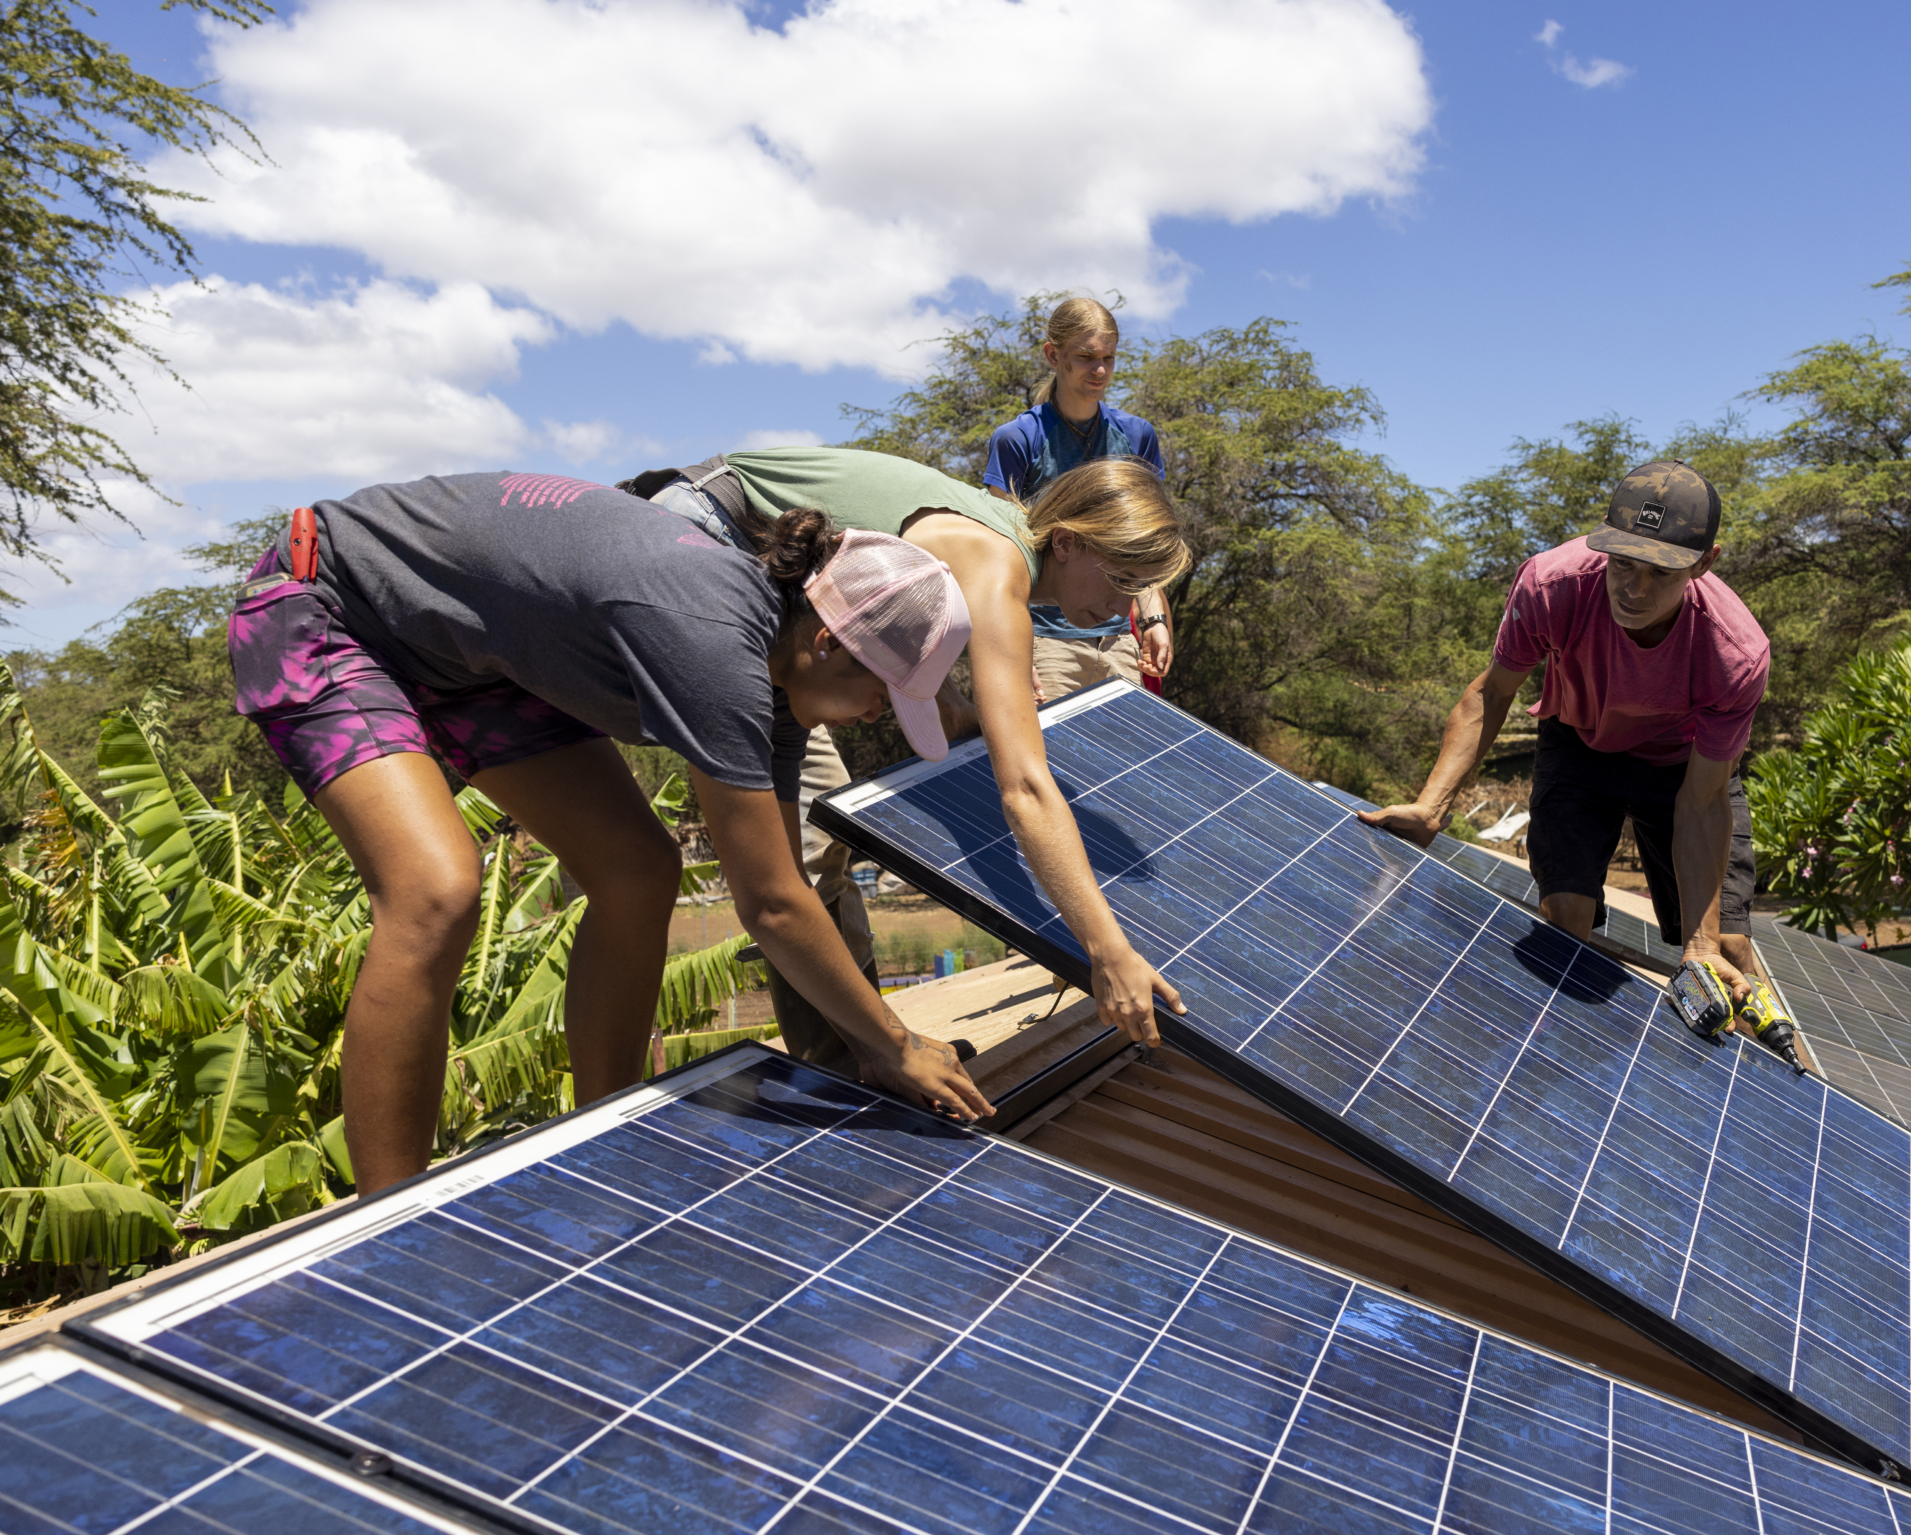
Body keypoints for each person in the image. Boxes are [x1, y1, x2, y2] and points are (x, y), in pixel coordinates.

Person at [227, 470, 993, 1193]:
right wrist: (893, 1044)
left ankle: (607, 1136)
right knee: (435, 892)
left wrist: (877, 1045)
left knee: (637, 871)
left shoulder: (781, 667)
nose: (878, 714)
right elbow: (768, 906)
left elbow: (783, 886)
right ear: (827, 642)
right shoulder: (713, 636)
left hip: (463, 658)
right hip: (323, 603)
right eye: (883, 691)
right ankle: (390, 1221)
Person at [626, 446, 1192, 1054]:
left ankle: (871, 1052)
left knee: (809, 849)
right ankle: (858, 1063)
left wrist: (962, 710)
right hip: (705, 535)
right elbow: (1026, 789)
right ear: (1067, 542)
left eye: (1139, 589)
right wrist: (1107, 952)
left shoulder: (1000, 539)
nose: (1122, 608)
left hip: (735, 541)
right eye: (1121, 579)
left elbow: (926, 659)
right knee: (799, 856)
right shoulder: (1000, 568)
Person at [1360, 460, 1769, 998]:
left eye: (1661, 573)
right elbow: (1492, 693)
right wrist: (1431, 807)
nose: (1634, 590)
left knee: (1727, 948)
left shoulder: (1735, 652)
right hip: (1580, 746)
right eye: (1623, 563)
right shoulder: (1552, 585)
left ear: (1703, 563)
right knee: (1565, 919)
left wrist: (1699, 946)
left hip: (1682, 767)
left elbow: (1701, 800)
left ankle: (1775, 1046)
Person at [982, 297, 1175, 699]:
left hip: (1119, 640)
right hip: (1044, 642)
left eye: (1108, 358)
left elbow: (1144, 546)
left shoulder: (1137, 436)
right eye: (1086, 357)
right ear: (1054, 355)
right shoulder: (1018, 439)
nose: (1099, 370)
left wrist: (1153, 617)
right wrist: (1011, 647)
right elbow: (997, 554)